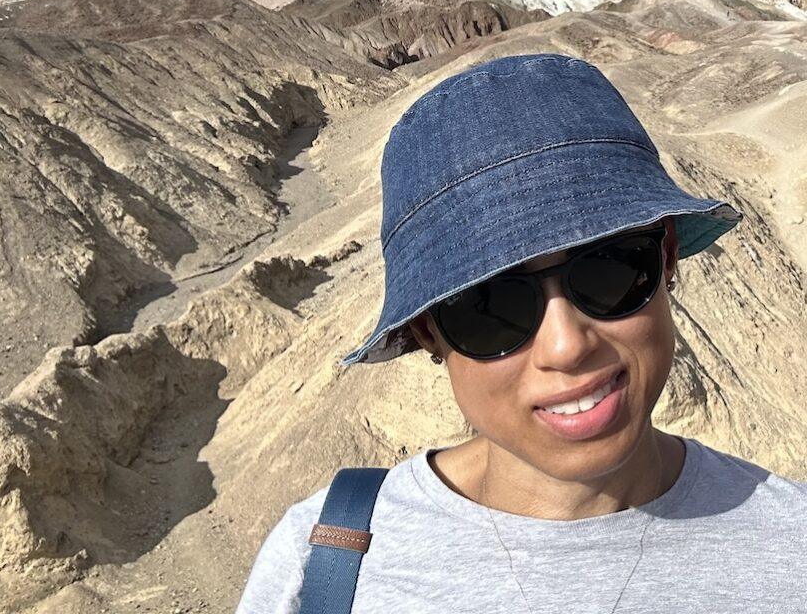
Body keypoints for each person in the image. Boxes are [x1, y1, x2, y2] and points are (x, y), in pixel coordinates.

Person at [236, 53, 807, 613]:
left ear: (668, 257)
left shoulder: (792, 551)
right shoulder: (323, 564)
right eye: (491, 305)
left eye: (610, 269)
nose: (567, 345)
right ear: (428, 333)